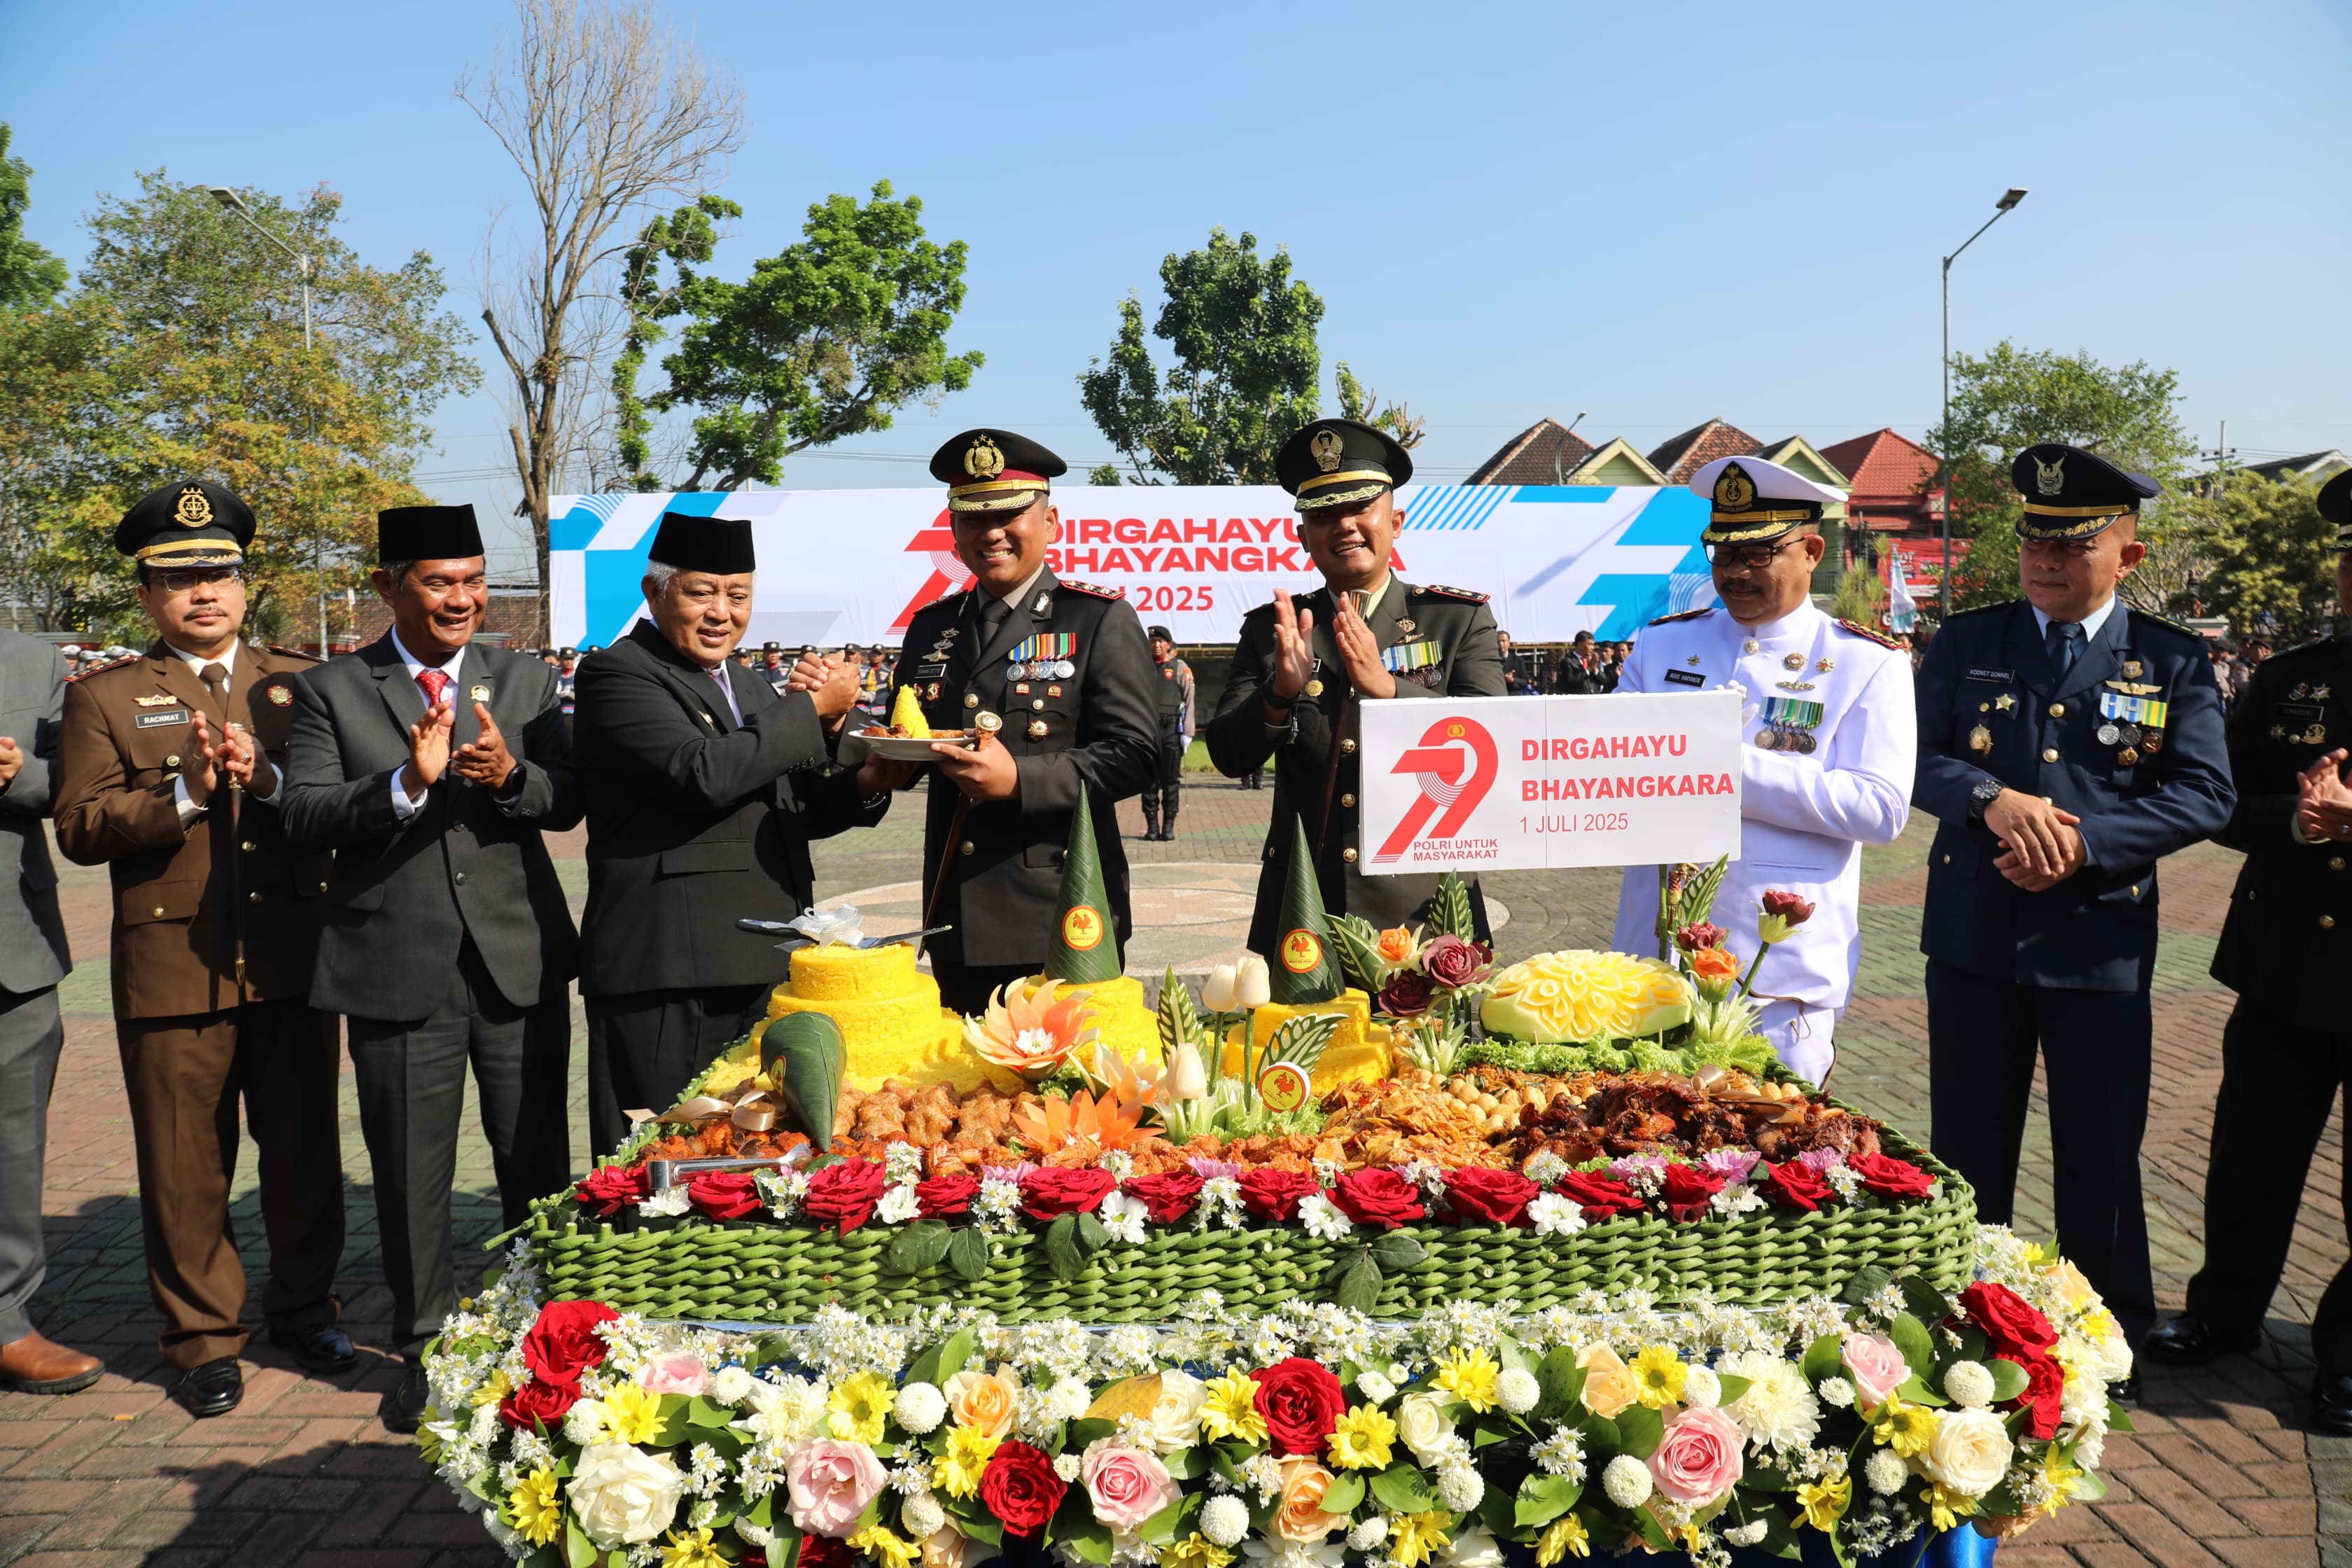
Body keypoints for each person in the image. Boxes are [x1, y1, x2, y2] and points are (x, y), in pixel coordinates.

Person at [1914, 443, 2234, 1359]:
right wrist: (1991, 800)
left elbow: (2205, 793)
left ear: (2126, 556)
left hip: (2098, 939)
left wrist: (2085, 847)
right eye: (2034, 544)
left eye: (2071, 546)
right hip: (1975, 937)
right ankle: (1964, 1329)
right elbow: (1918, 757)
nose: (2045, 562)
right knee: (1967, 1151)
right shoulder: (1971, 641)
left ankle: (2109, 1335)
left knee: (2100, 1153)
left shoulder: (2169, 663)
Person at [279, 504, 582, 1432]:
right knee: (410, 1172)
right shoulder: (333, 687)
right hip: (394, 968)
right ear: (388, 587)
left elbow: (566, 800)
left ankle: (549, 1342)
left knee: (537, 1159)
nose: (465, 598)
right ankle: (423, 1347)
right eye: (440, 581)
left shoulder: (522, 678)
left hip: (515, 961)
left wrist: (508, 779)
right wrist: (408, 784)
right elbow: (305, 815)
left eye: (475, 578)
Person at [52, 479, 349, 1418]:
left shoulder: (303, 686)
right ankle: (201, 1339)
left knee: (302, 1147)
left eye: (219, 572)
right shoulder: (107, 697)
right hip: (173, 965)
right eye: (178, 579)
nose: (204, 592)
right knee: (186, 1162)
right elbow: (82, 827)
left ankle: (306, 1307)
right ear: (146, 595)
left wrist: (266, 778)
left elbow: (334, 806)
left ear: (246, 582)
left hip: (294, 954)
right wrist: (179, 795)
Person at [2144, 470, 2352, 1423]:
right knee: (2251, 1154)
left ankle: (2347, 1351)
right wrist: (2301, 822)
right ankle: (2225, 1315)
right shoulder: (2289, 679)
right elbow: (2218, 796)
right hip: (2284, 964)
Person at [572, 513, 874, 1154]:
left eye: (738, 596)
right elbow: (701, 774)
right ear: (655, 595)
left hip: (764, 959)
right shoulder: (617, 674)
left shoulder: (747, 682)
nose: (721, 613)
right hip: (670, 971)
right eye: (700, 592)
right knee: (662, 1156)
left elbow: (800, 808)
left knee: (757, 1155)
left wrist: (872, 773)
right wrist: (809, 710)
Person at [1608, 458, 1917, 1084]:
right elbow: (1613, 763)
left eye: (1758, 554)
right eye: (1721, 554)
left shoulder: (1864, 663)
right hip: (1656, 963)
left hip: (1775, 975)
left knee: (1770, 1168)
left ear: (1811, 551)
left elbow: (1880, 809)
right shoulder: (1662, 644)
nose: (1735, 573)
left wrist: (1720, 767)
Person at [866, 429, 1158, 1014]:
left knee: (1067, 1098)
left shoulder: (1098, 618)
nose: (991, 533)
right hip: (955, 913)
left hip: (1059, 911)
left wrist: (1020, 781)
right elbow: (907, 740)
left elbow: (1136, 755)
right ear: (954, 530)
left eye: (1009, 515)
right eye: (973, 518)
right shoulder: (932, 627)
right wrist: (880, 762)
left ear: (1051, 523)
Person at [1209, 418, 1506, 953]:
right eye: (1324, 514)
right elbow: (1229, 755)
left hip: (1424, 908)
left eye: (1358, 508)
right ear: (1304, 537)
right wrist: (1278, 695)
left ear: (1395, 520)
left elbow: (1496, 740)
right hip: (1304, 907)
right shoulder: (1273, 627)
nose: (1343, 525)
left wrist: (1389, 690)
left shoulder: (1455, 620)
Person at [0, 632, 98, 1396]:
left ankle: (6, 1318)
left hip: (13, 941)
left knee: (14, 1140)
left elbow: (76, 781)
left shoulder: (34, 660)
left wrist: (18, 774)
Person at [1142, 625, 1194, 841]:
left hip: (1172, 730)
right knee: (1148, 781)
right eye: (1153, 641)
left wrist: (1188, 732)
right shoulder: (1141, 666)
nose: (1156, 645)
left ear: (1168, 645)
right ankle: (1152, 826)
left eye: (1160, 641)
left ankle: (1169, 826)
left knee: (1171, 781)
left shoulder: (1179, 667)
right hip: (1148, 731)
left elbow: (1190, 698)